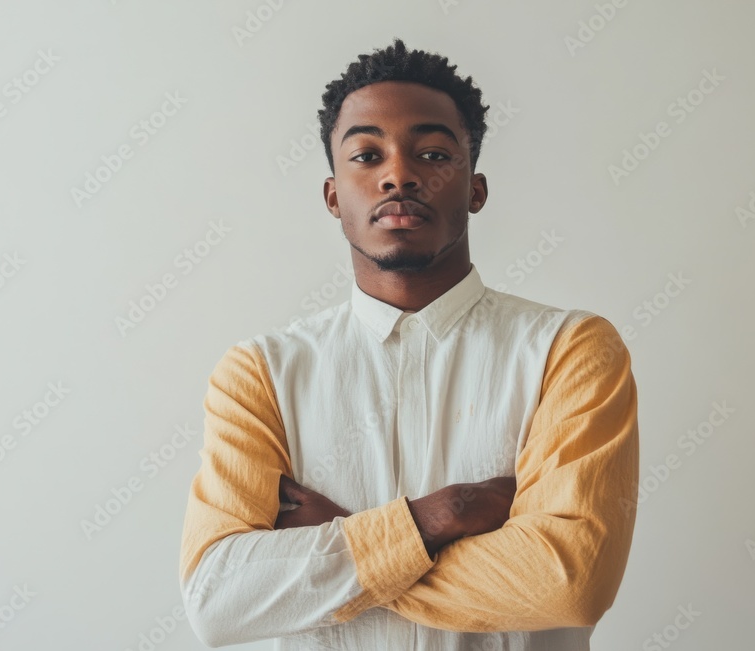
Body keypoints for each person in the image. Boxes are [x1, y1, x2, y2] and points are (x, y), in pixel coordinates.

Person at [179, 37, 639, 650]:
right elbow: (219, 599)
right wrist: (445, 513)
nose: (399, 174)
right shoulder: (259, 374)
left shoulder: (570, 351)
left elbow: (568, 582)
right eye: (367, 155)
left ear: (475, 189)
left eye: (432, 152)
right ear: (334, 196)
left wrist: (342, 541)